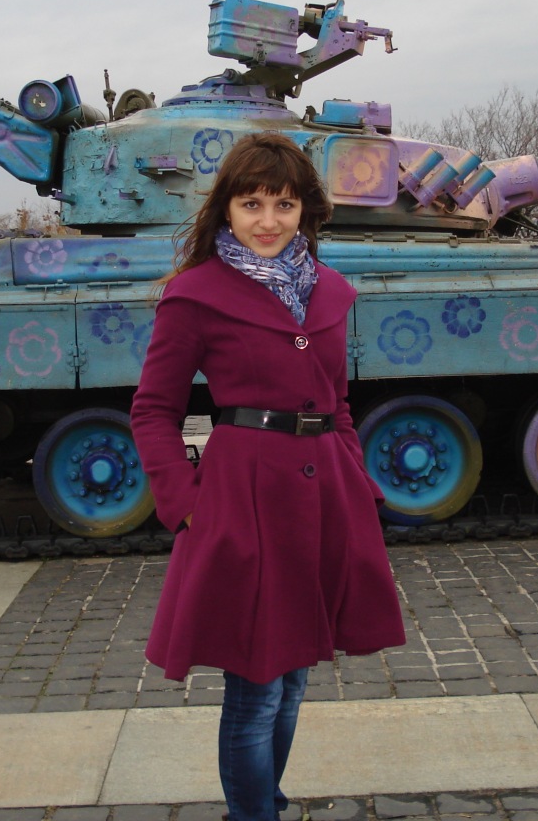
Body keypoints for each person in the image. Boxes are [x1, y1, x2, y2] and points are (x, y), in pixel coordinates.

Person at [130, 132, 405, 820]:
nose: (268, 220)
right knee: (256, 689)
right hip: (244, 499)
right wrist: (186, 504)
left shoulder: (330, 292)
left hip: (324, 496)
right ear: (226, 208)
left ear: (304, 209)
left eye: (283, 204)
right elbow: (153, 411)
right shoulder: (196, 295)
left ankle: (265, 802)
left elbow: (339, 404)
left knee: (294, 682)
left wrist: (357, 484)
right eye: (251, 203)